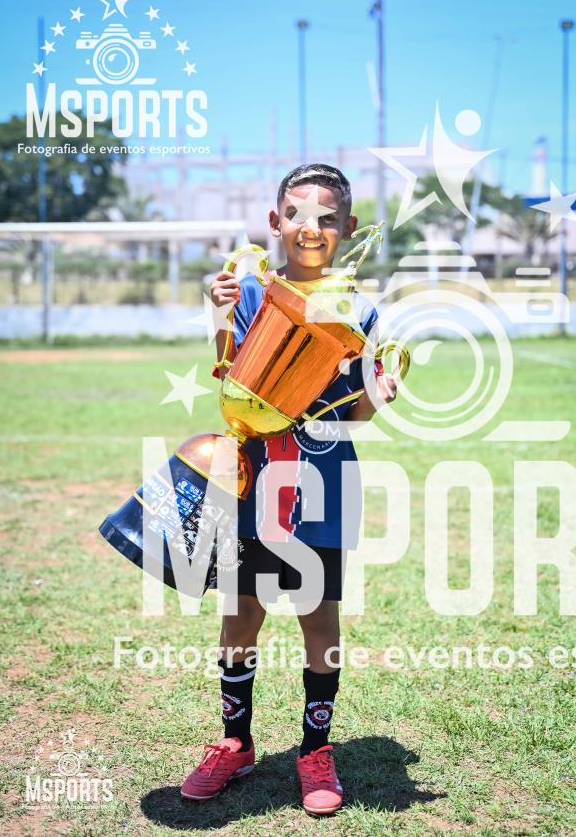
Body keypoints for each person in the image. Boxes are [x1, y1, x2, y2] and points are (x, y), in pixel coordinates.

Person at [180, 163, 397, 815]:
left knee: (318, 616)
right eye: (298, 215)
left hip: (322, 482)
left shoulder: (359, 310)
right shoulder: (249, 293)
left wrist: (377, 393)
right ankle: (235, 741)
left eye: (328, 218)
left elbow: (354, 416)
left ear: (347, 228)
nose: (311, 229)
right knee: (241, 611)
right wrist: (217, 311)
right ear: (275, 223)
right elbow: (231, 380)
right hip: (250, 477)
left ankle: (315, 750)